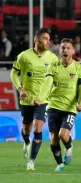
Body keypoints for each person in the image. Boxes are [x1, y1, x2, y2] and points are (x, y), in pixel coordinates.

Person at [10, 27, 58, 171]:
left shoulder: (53, 58)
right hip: (27, 100)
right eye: (45, 39)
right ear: (36, 40)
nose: (48, 42)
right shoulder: (24, 56)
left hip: (43, 100)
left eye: (49, 40)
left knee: (38, 126)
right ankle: (26, 141)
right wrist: (20, 89)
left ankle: (31, 161)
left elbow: (56, 79)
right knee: (27, 129)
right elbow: (13, 74)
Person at [38, 38, 81, 172]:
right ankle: (60, 164)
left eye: (67, 48)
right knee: (53, 138)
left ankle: (69, 147)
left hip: (70, 108)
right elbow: (47, 83)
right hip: (53, 105)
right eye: (62, 48)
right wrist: (41, 97)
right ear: (59, 50)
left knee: (63, 135)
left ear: (73, 51)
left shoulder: (79, 68)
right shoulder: (53, 66)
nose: (64, 50)